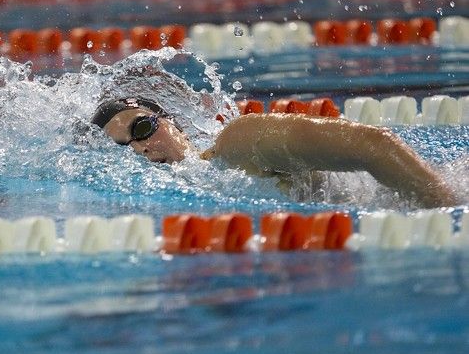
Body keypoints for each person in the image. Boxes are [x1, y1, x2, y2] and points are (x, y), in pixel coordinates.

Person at [91, 97, 458, 208]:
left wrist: (445, 211)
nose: (141, 148)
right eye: (124, 147)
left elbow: (373, 145)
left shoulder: (238, 143)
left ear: (171, 121)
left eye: (141, 128)